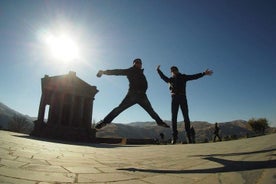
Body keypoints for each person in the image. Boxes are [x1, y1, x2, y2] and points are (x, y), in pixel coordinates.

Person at [95, 58, 170, 129]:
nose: (139, 64)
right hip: (132, 95)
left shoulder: (141, 73)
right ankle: (104, 122)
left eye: (140, 63)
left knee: (151, 110)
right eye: (137, 62)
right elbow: (118, 72)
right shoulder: (131, 70)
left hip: (142, 96)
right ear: (134, 64)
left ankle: (159, 122)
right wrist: (104, 72)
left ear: (141, 64)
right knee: (119, 108)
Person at [157, 65, 213, 144]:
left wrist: (203, 73)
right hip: (174, 99)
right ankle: (174, 137)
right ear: (171, 72)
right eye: (172, 71)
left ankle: (189, 137)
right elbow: (163, 77)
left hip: (182, 97)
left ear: (177, 70)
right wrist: (158, 71)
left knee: (186, 117)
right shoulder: (170, 79)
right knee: (174, 118)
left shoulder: (183, 77)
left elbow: (194, 76)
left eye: (175, 70)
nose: (173, 72)